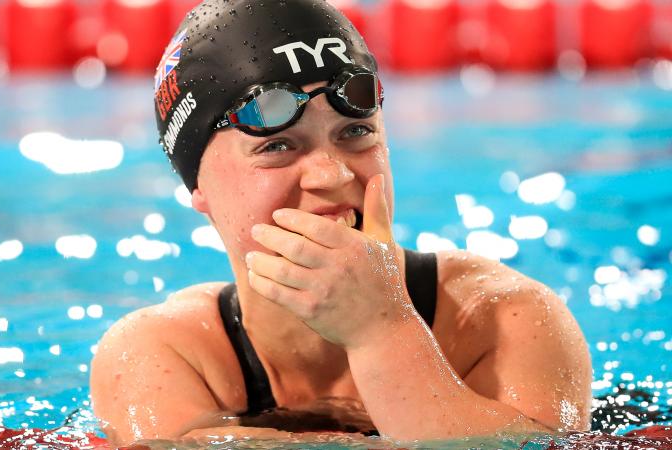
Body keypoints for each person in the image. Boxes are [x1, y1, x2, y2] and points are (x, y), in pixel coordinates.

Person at [90, 0, 593, 446]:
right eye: (278, 145)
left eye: (356, 132)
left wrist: (381, 330)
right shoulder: (164, 354)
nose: (332, 174)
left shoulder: (507, 321)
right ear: (196, 185)